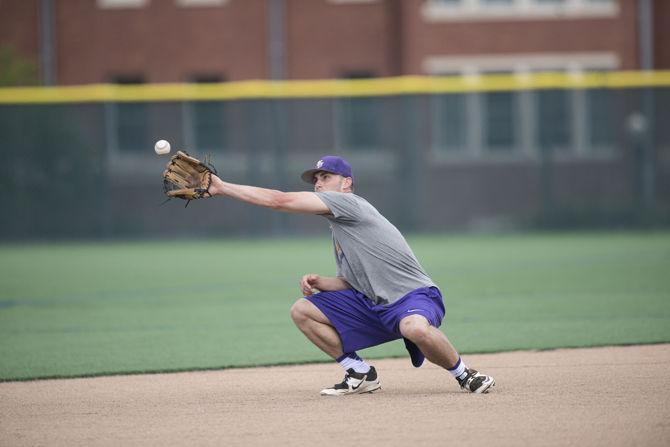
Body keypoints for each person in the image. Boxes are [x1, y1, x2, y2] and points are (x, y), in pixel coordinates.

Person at [206, 155, 495, 396]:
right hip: (375, 305)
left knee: (415, 329)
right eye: (316, 179)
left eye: (326, 176)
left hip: (413, 296)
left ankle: (465, 374)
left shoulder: (350, 204)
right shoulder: (339, 229)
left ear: (346, 184)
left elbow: (279, 201)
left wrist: (221, 187)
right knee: (302, 310)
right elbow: (351, 283)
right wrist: (323, 283)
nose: (319, 183)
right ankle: (359, 373)